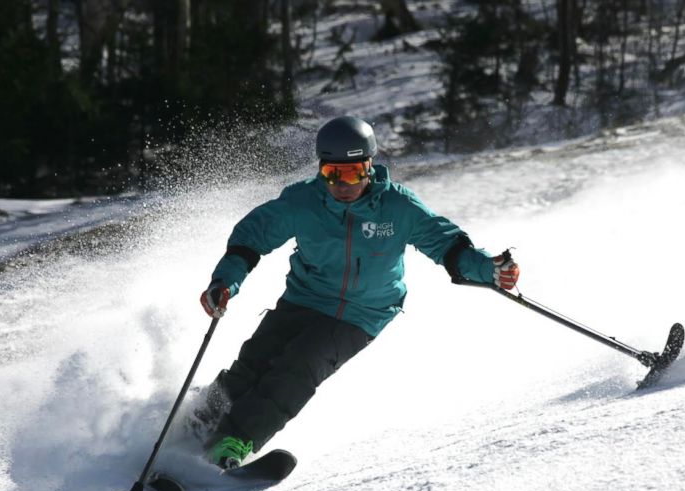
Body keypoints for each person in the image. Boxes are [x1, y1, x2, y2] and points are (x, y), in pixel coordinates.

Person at [196, 116, 520, 469]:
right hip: (303, 298)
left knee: (298, 366)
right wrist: (225, 282)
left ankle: (232, 442)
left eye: (352, 173)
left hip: (361, 312)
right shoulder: (304, 202)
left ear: (369, 167)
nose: (342, 184)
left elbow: (447, 245)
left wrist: (488, 269)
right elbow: (251, 236)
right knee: (253, 363)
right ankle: (197, 424)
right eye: (333, 173)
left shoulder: (398, 208)